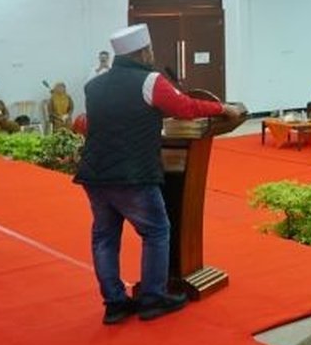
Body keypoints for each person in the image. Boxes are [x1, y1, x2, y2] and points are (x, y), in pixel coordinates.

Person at [75, 24, 245, 324]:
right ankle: (153, 298)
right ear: (141, 52)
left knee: (104, 238)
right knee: (156, 231)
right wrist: (223, 108)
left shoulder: (95, 84)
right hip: (134, 174)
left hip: (94, 175)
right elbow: (185, 107)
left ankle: (115, 304)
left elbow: (92, 123)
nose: (153, 55)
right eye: (150, 50)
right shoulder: (150, 81)